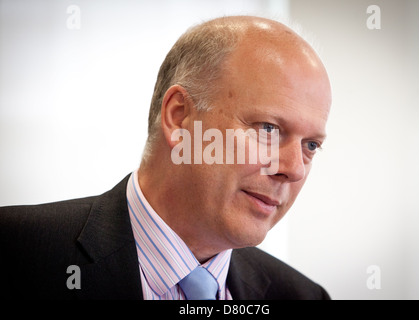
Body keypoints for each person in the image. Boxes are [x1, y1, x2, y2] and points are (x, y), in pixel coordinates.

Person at [0, 15, 332, 300]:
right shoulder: (17, 252)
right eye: (269, 128)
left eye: (311, 145)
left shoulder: (303, 295)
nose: (293, 169)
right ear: (179, 118)